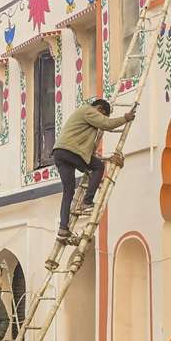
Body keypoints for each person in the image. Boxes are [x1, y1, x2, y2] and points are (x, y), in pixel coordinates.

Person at [51, 98, 135, 240]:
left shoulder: (82, 113)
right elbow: (107, 124)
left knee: (68, 191)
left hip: (60, 153)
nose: (101, 118)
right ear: (100, 109)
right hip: (72, 152)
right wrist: (125, 118)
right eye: (102, 115)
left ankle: (63, 228)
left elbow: (86, 146)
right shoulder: (89, 110)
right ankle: (87, 201)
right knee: (98, 167)